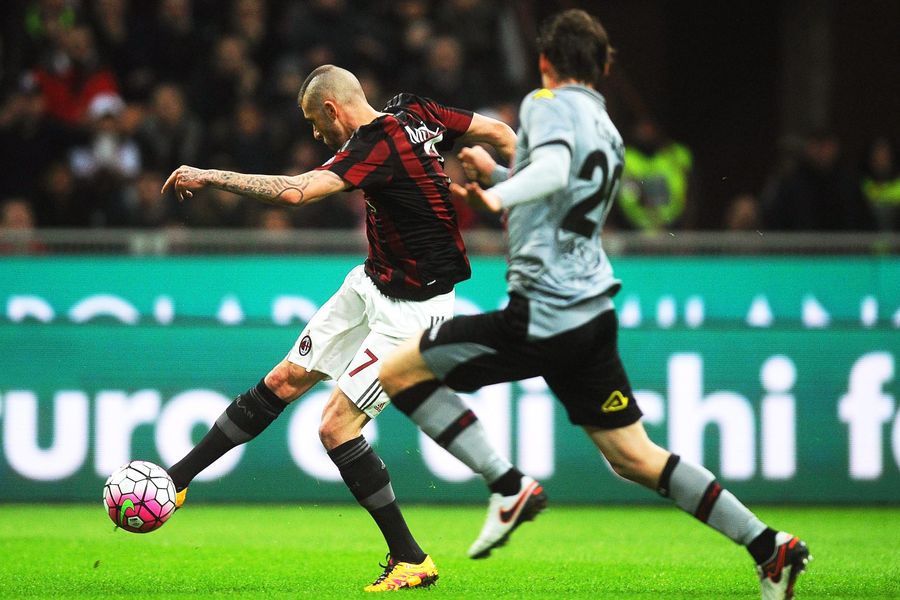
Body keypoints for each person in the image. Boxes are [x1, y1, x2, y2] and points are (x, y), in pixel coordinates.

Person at [377, 10, 810, 600]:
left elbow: (553, 171)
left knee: (399, 370)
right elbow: (562, 193)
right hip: (590, 314)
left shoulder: (543, 104)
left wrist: (499, 194)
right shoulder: (606, 127)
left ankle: (507, 485)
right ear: (603, 66)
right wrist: (500, 172)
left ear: (544, 62)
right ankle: (769, 547)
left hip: (544, 312)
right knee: (635, 457)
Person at [161, 64, 515, 592]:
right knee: (284, 379)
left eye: (314, 122)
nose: (314, 134)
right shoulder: (414, 110)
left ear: (331, 109)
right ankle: (176, 481)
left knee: (335, 427)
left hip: (413, 314)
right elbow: (501, 133)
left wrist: (211, 176)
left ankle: (411, 559)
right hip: (371, 282)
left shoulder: (375, 144)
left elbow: (295, 192)